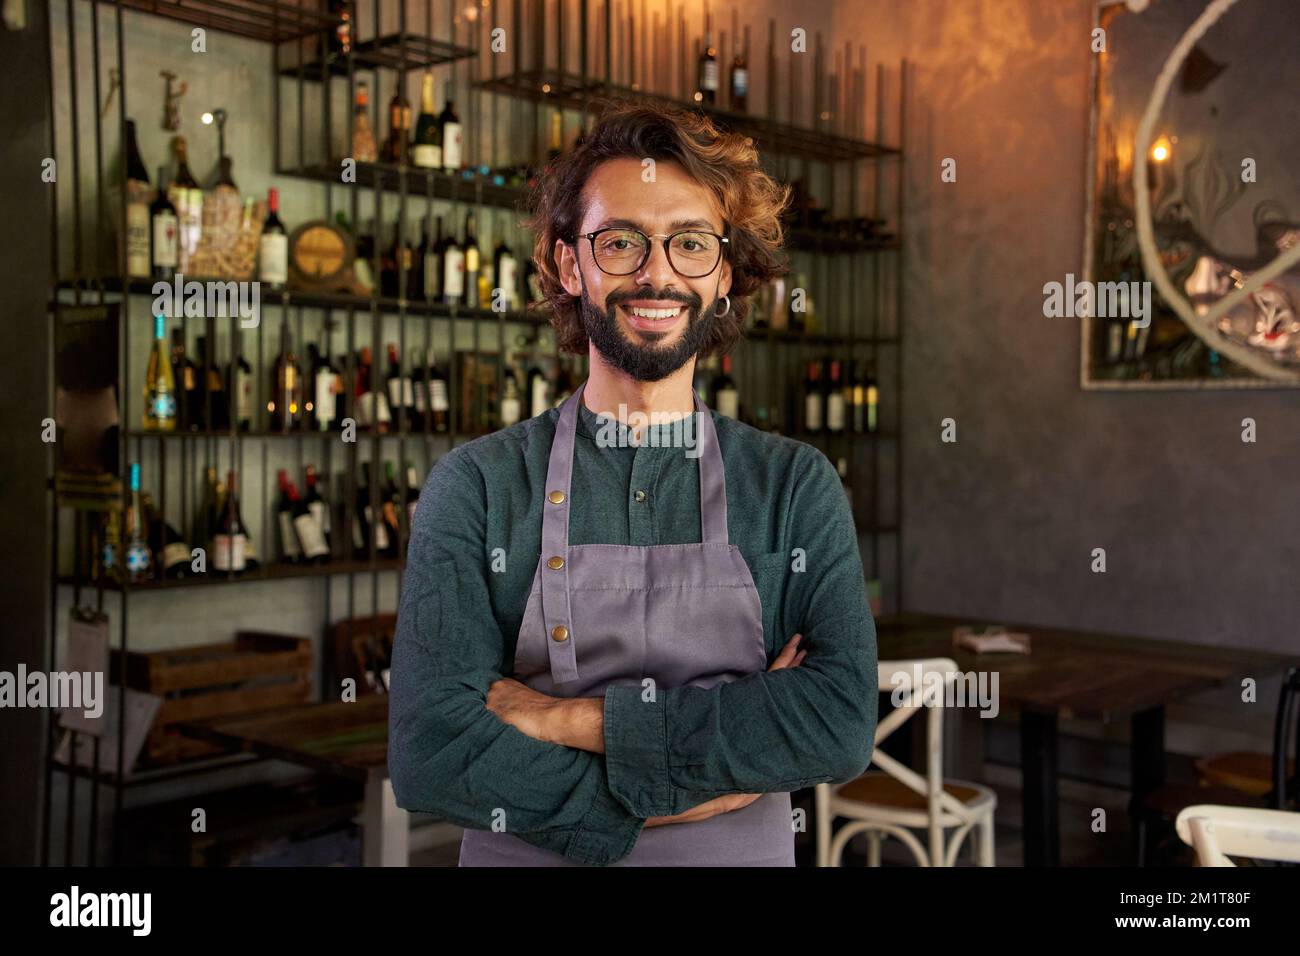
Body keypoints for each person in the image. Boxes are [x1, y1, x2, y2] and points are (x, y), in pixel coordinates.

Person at [388, 102, 878, 866]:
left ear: (723, 275)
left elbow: (838, 725)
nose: (657, 273)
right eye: (620, 242)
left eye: (690, 244)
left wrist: (572, 720)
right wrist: (693, 790)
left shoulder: (792, 487)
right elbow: (433, 754)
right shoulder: (477, 486)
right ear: (567, 264)